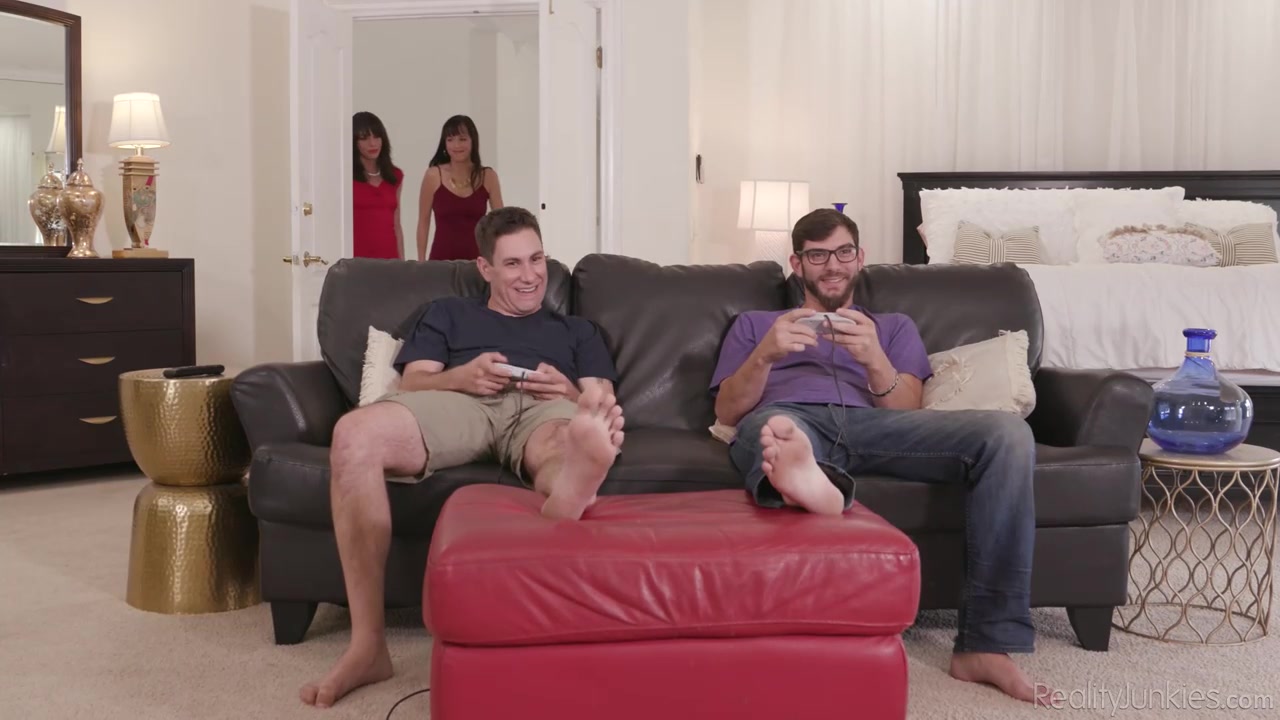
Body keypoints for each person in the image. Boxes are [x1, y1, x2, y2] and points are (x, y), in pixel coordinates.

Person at [709, 208, 1047, 705]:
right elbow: (728, 411)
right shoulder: (756, 325)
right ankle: (808, 475)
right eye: (817, 256)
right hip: (792, 418)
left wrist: (874, 360)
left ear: (860, 257)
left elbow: (908, 410)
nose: (832, 265)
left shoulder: (891, 327)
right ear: (796, 264)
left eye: (843, 252)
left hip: (877, 427)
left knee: (1008, 433)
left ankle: (986, 645)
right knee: (771, 430)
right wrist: (765, 354)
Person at [301, 206, 625, 708]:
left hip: (546, 407)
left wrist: (568, 390)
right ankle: (367, 647)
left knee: (569, 441)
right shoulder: (448, 313)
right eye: (513, 263)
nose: (530, 275)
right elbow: (414, 382)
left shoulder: (578, 330)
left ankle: (571, 485)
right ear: (485, 268)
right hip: (460, 402)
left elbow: (600, 398)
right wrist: (463, 375)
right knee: (353, 436)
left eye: (537, 259)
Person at [416, 115, 504, 261]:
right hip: (441, 261)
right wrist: (421, 262)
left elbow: (500, 223)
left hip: (478, 262)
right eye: (450, 140)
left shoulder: (488, 176)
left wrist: (501, 259)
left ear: (472, 141)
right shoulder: (433, 175)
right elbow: (423, 221)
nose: (456, 145)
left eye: (462, 139)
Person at [352, 111, 405, 259]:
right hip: (357, 261)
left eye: (377, 136)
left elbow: (397, 225)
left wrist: (403, 264)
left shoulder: (395, 176)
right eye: (364, 138)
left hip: (390, 261)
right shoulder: (346, 179)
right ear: (354, 142)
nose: (372, 143)